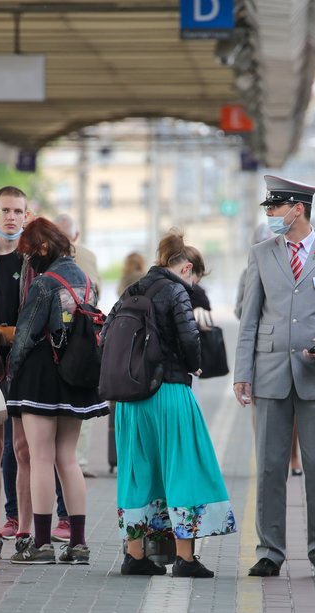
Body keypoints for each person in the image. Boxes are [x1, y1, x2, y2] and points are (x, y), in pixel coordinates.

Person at [234, 176, 315, 578]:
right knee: (270, 467)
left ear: (297, 209)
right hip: (270, 374)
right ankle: (270, 551)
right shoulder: (261, 254)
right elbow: (249, 320)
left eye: (274, 208)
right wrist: (243, 373)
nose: (269, 215)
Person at [105, 232, 235, 577]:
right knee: (183, 468)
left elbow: (107, 335)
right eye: (195, 279)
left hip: (131, 401)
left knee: (136, 473)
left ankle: (135, 557)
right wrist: (195, 363)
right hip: (169, 392)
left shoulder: (131, 289)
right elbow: (189, 336)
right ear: (187, 268)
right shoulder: (177, 290)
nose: (193, 285)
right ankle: (185, 559)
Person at [6, 218, 109, 564]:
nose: (28, 258)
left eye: (29, 251)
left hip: (41, 378)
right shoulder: (88, 282)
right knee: (68, 458)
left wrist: (11, 376)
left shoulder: (45, 283)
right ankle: (78, 544)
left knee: (41, 458)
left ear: (44, 247)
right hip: (76, 377)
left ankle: (41, 543)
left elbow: (24, 337)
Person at [0, 186, 34, 549]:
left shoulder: (33, 260)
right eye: (5, 211)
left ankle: (27, 530)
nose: (11, 217)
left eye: (18, 211)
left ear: (27, 216)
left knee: (25, 449)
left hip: (25, 365)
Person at [234, 223, 303, 476]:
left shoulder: (295, 269)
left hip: (288, 348)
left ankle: (293, 457)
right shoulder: (250, 270)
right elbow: (240, 309)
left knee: (293, 404)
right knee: (260, 405)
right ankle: (265, 455)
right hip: (261, 348)